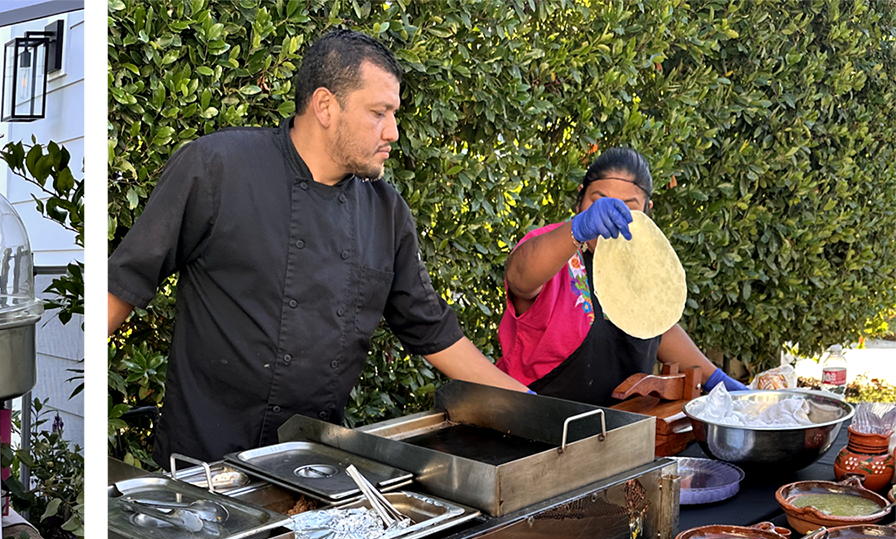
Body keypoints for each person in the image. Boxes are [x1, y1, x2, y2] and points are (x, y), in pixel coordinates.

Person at [96, 29, 530, 465]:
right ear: (325, 106)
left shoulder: (386, 212)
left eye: (394, 114)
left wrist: (535, 408)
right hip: (201, 471)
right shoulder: (216, 169)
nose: (394, 132)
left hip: (311, 471)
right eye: (379, 113)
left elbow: (433, 332)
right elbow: (114, 298)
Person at [498, 145, 747, 404]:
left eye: (628, 207)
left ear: (647, 211)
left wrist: (718, 380)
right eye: (598, 201)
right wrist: (578, 229)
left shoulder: (641, 263)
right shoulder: (551, 248)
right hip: (532, 426)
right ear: (580, 198)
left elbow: (658, 329)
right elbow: (519, 278)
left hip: (617, 428)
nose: (610, 217)